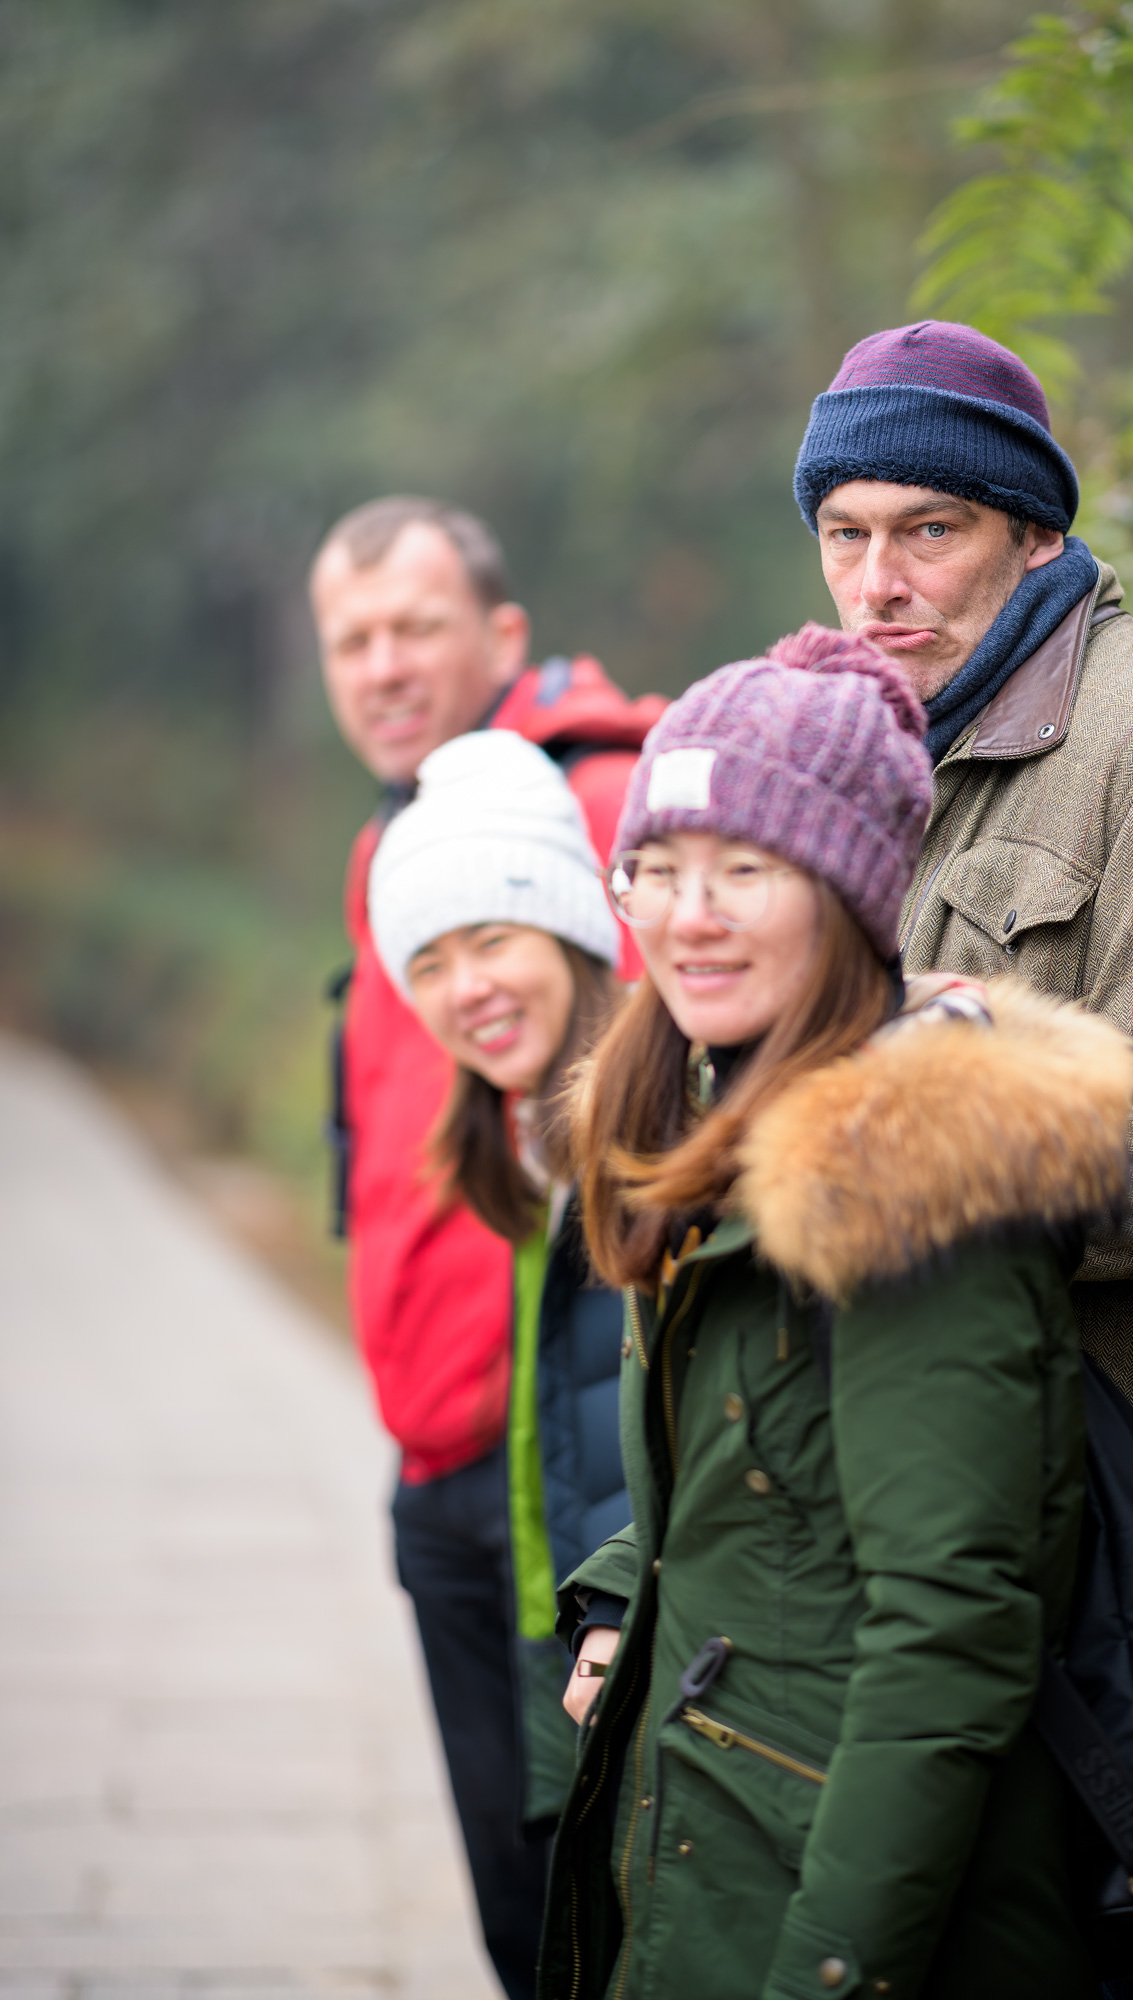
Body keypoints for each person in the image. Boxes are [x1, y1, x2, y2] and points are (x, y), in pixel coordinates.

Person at [536, 624, 1133, 2000]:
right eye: (660, 872)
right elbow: (769, 1479)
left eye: (747, 871)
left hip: (826, 1902)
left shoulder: (904, 1182)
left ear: (853, 897)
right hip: (703, 1834)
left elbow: (953, 1630)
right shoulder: (717, 1118)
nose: (694, 915)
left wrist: (832, 1971)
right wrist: (624, 1598)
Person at [793, 323, 1133, 1769]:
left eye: (930, 530)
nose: (876, 582)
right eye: (845, 534)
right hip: (914, 1578)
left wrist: (860, 1173)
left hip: (1107, 1611)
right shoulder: (870, 749)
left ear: (1035, 537)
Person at [310, 495, 663, 1997]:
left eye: (416, 628)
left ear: (502, 634)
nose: (383, 666)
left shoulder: (606, 805)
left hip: (561, 1481)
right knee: (510, 1913)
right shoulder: (393, 838)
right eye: (352, 640)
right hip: (440, 1464)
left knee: (584, 1916)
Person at [366, 728, 632, 1879]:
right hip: (546, 1613)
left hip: (632, 1641)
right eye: (427, 960)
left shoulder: (650, 1131)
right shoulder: (509, 1141)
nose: (463, 987)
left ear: (571, 931)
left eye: (492, 938)